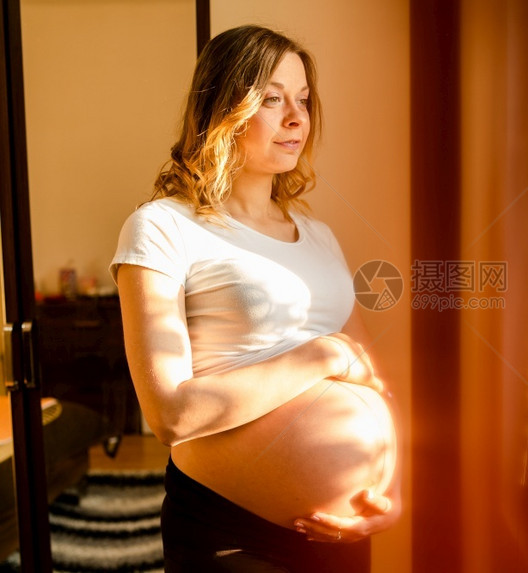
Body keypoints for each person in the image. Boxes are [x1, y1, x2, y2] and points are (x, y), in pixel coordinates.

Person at [110, 25, 401, 572]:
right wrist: (323, 354)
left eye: (304, 100)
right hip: (231, 532)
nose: (297, 118)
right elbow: (170, 414)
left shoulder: (318, 236)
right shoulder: (161, 227)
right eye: (272, 99)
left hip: (343, 536)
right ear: (223, 108)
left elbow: (375, 383)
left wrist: (390, 494)